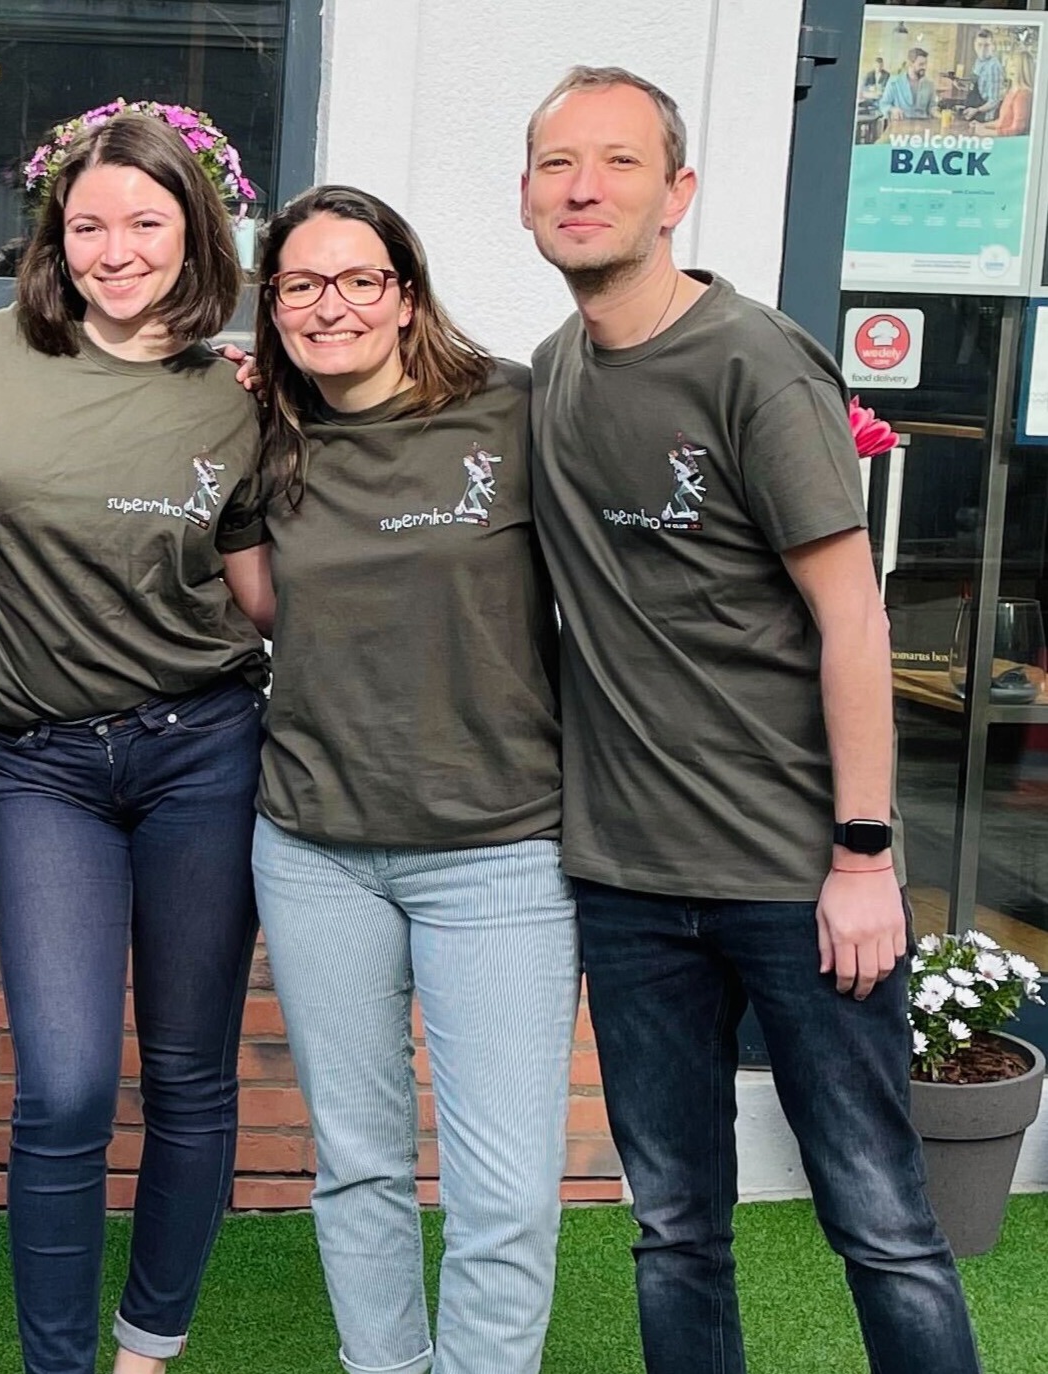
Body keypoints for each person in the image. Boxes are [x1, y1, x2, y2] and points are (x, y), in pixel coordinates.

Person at [520, 65, 981, 1374]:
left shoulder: (752, 362)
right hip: (627, 882)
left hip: (793, 878)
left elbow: (852, 617)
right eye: (557, 163)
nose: (582, 188)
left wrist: (862, 854)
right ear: (525, 195)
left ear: (675, 193)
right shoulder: (552, 375)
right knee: (672, 1229)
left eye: (616, 162)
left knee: (879, 1223)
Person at [245, 184, 577, 1374]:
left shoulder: (510, 409)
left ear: (403, 295)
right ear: (271, 305)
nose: (328, 305)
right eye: (300, 284)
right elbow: (259, 607)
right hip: (314, 848)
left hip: (497, 847)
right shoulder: (262, 438)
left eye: (357, 279)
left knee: (505, 1191)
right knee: (358, 1165)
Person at [0, 111, 269, 1374]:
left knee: (187, 1072)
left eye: (144, 221)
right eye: (87, 224)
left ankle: (145, 1349)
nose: (114, 248)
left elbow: (265, 589)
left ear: (193, 232)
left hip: (205, 752)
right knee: (65, 1084)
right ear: (54, 237)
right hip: (41, 767)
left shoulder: (240, 393)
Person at [881, 48, 936, 120]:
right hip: (900, 123)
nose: (924, 67)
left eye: (926, 64)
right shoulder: (894, 82)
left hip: (923, 123)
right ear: (910, 64)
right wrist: (892, 110)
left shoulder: (929, 84)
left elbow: (932, 107)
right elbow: (884, 104)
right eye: (921, 64)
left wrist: (937, 112)